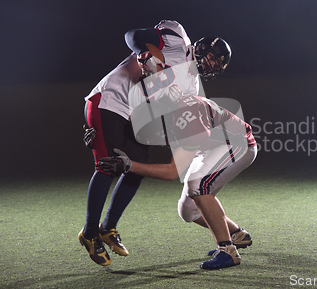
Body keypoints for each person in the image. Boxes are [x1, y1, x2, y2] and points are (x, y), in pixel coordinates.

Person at [79, 19, 232, 267]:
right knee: (108, 165)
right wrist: (144, 52)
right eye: (212, 56)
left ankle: (108, 227)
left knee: (136, 168)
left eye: (217, 63)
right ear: (202, 46)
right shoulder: (177, 38)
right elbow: (133, 34)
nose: (211, 63)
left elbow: (167, 119)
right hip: (111, 99)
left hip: (135, 116)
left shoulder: (193, 88)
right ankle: (89, 233)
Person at [97, 91, 257, 270]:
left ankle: (228, 251)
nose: (150, 139)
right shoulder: (167, 113)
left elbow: (172, 172)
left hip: (236, 143)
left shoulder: (186, 118)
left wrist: (130, 166)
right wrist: (98, 142)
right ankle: (237, 234)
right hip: (209, 148)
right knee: (188, 211)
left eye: (150, 132)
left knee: (198, 187)